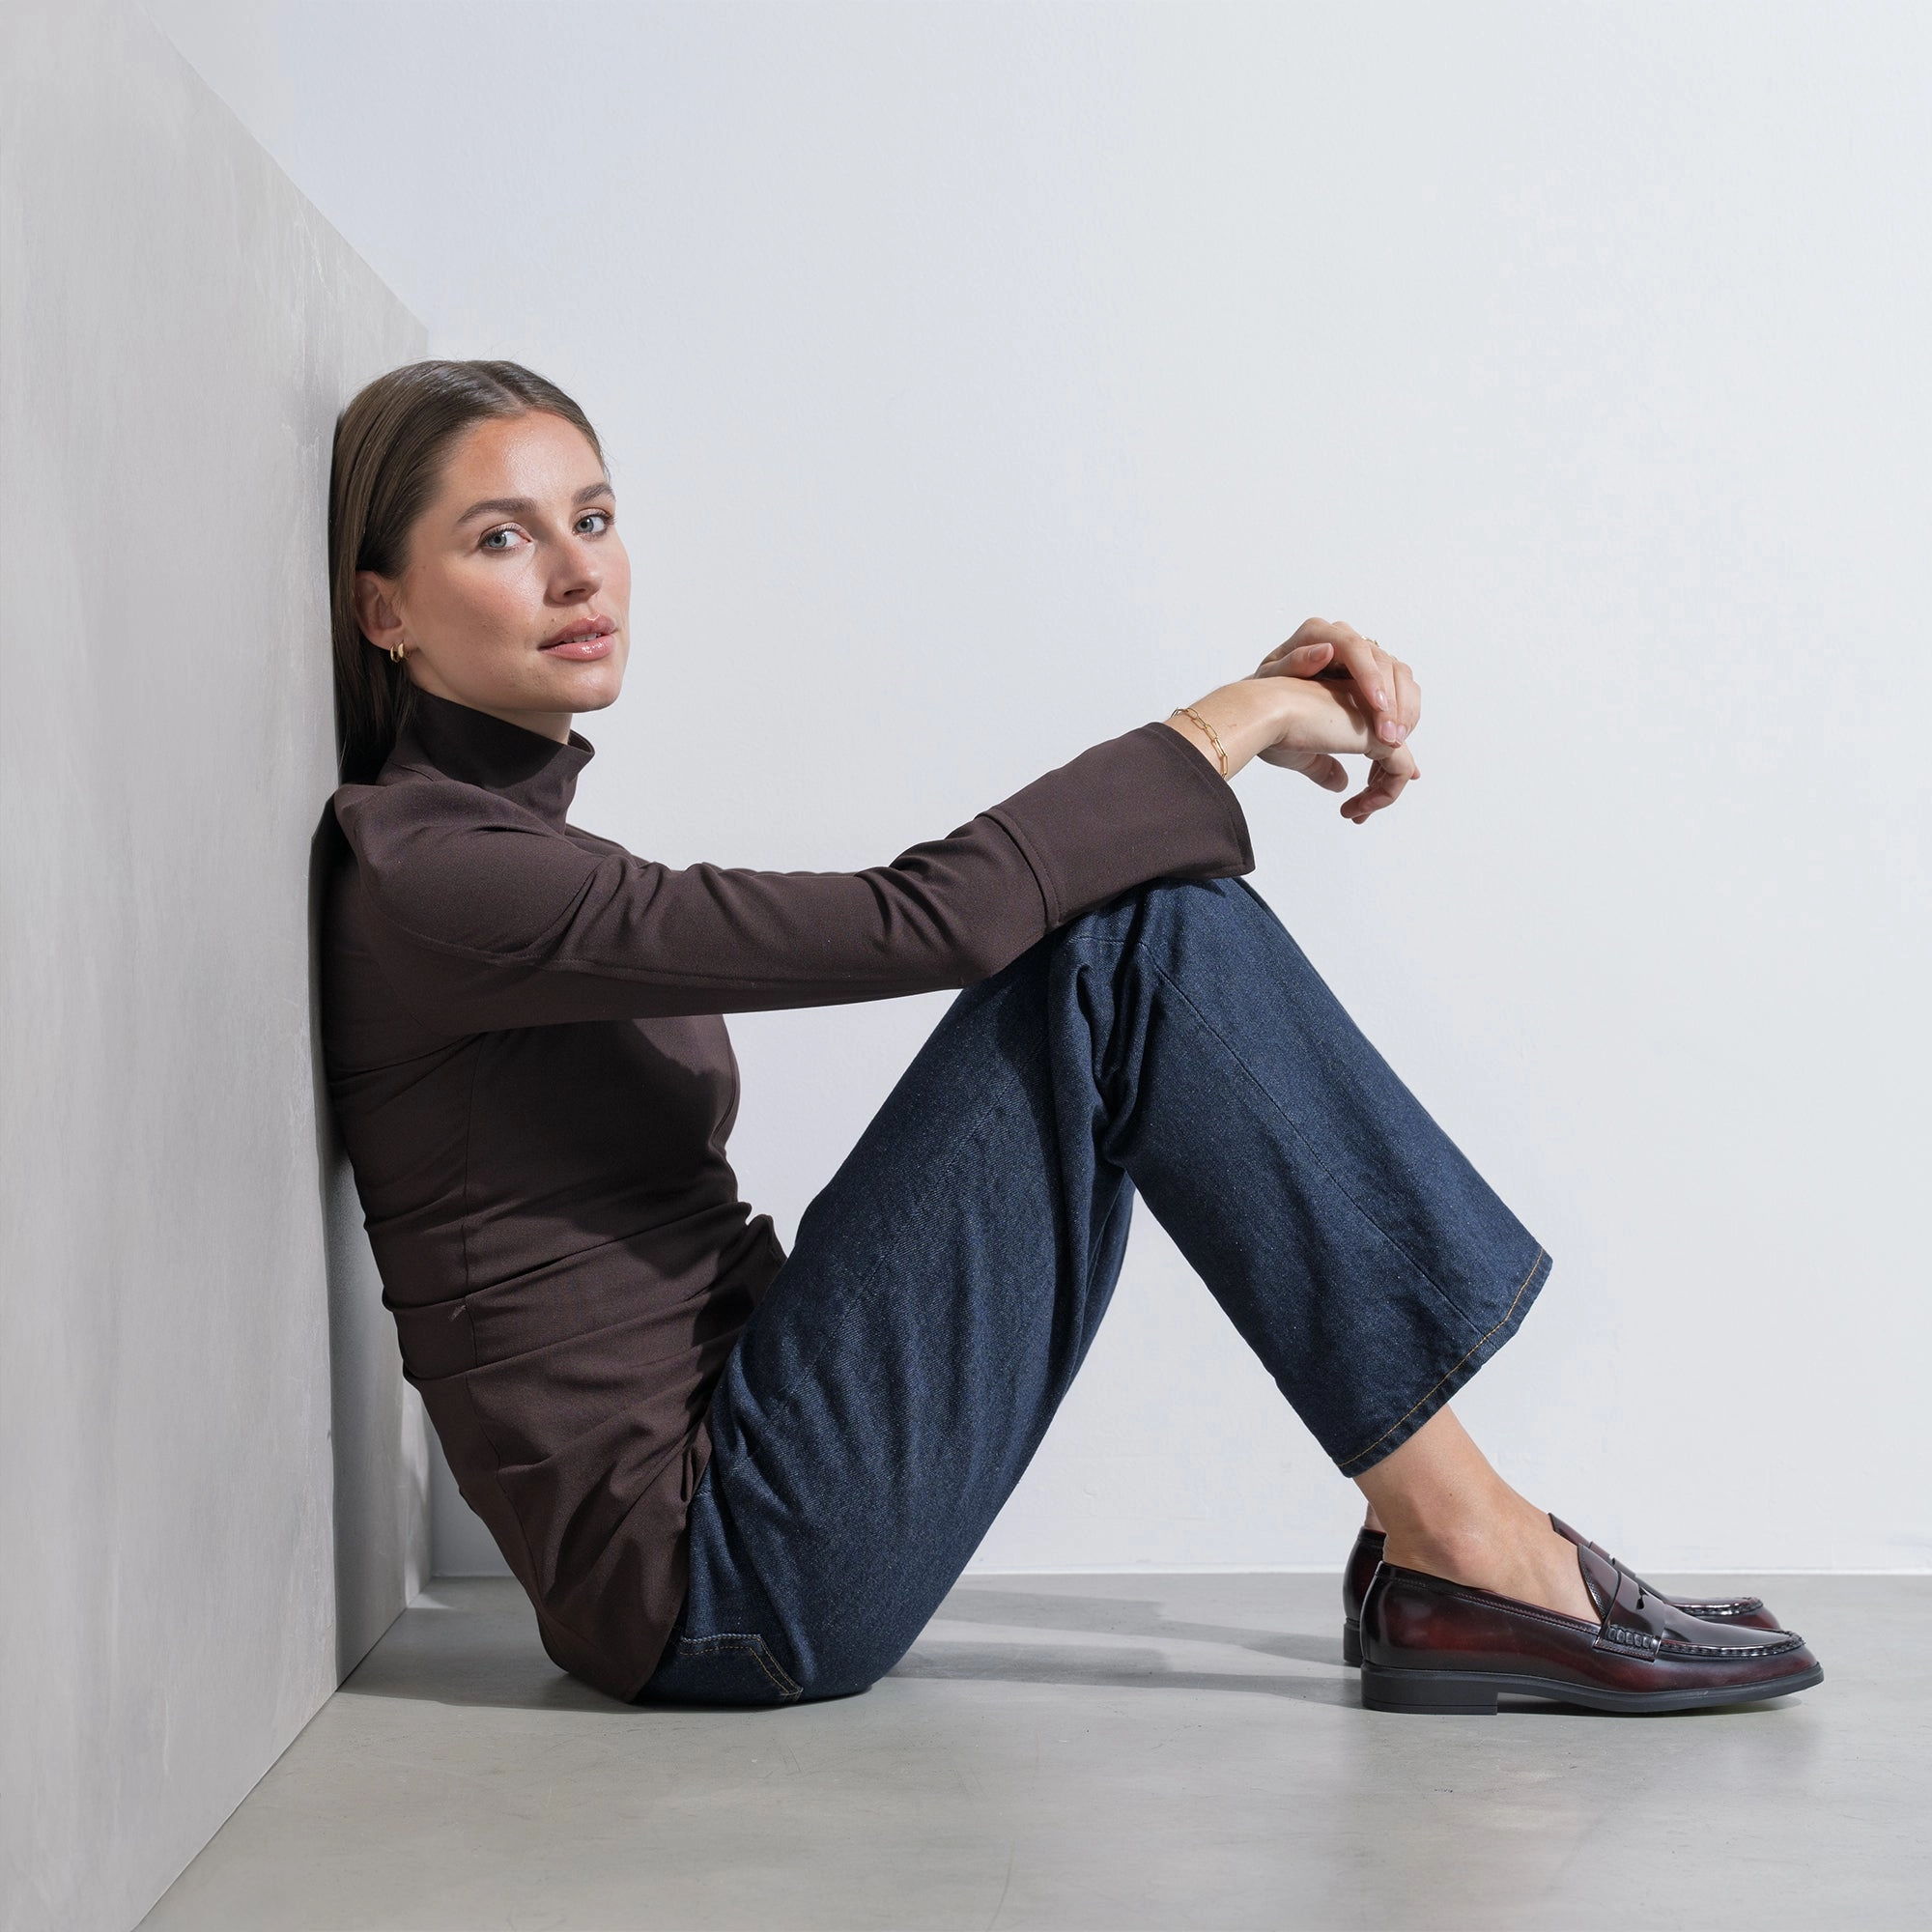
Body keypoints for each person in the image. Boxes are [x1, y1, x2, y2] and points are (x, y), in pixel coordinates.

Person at [318, 358, 1820, 1717]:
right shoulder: (435, 875)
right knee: (1134, 932)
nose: (580, 570)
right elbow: (929, 922)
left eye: (593, 516)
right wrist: (1230, 723)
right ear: (385, 610)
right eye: (502, 537)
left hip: (758, 1458)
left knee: (1132, 920)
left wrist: (1238, 720)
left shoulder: (492, 853)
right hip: (717, 1587)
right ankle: (1468, 1545)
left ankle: (1456, 1541)